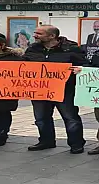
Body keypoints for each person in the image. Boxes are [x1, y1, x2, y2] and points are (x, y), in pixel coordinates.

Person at [24, 25, 87, 154]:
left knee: (70, 118)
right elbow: (22, 64)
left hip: (65, 90)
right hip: (39, 90)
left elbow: (84, 64)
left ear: (52, 36)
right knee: (41, 118)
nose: (35, 35)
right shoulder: (33, 48)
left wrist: (80, 69)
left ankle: (76, 144)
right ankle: (46, 141)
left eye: (39, 33)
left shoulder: (71, 49)